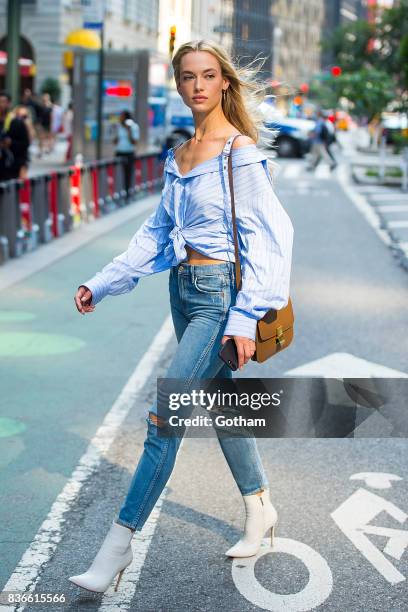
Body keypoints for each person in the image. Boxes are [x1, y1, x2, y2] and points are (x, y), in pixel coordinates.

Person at [71, 39, 294, 593]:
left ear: (223, 83)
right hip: (183, 290)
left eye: (208, 75)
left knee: (165, 415)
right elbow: (156, 236)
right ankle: (260, 505)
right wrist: (103, 282)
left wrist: (245, 319)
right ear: (178, 84)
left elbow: (273, 237)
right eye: (188, 76)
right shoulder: (179, 155)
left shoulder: (238, 153)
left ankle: (116, 548)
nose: (198, 85)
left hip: (220, 297)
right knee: (220, 402)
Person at [0, 91, 30, 181]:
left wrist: (11, 143)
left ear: (9, 103)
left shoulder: (17, 122)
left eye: (3, 101)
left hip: (12, 168)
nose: (1, 105)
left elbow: (25, 144)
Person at [113, 110, 140, 197]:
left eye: (122, 116)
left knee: (128, 174)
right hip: (119, 152)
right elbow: (115, 141)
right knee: (117, 173)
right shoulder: (119, 127)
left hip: (129, 152)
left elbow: (134, 142)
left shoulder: (133, 127)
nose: (120, 118)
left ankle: (127, 192)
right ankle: (116, 192)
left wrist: (129, 131)